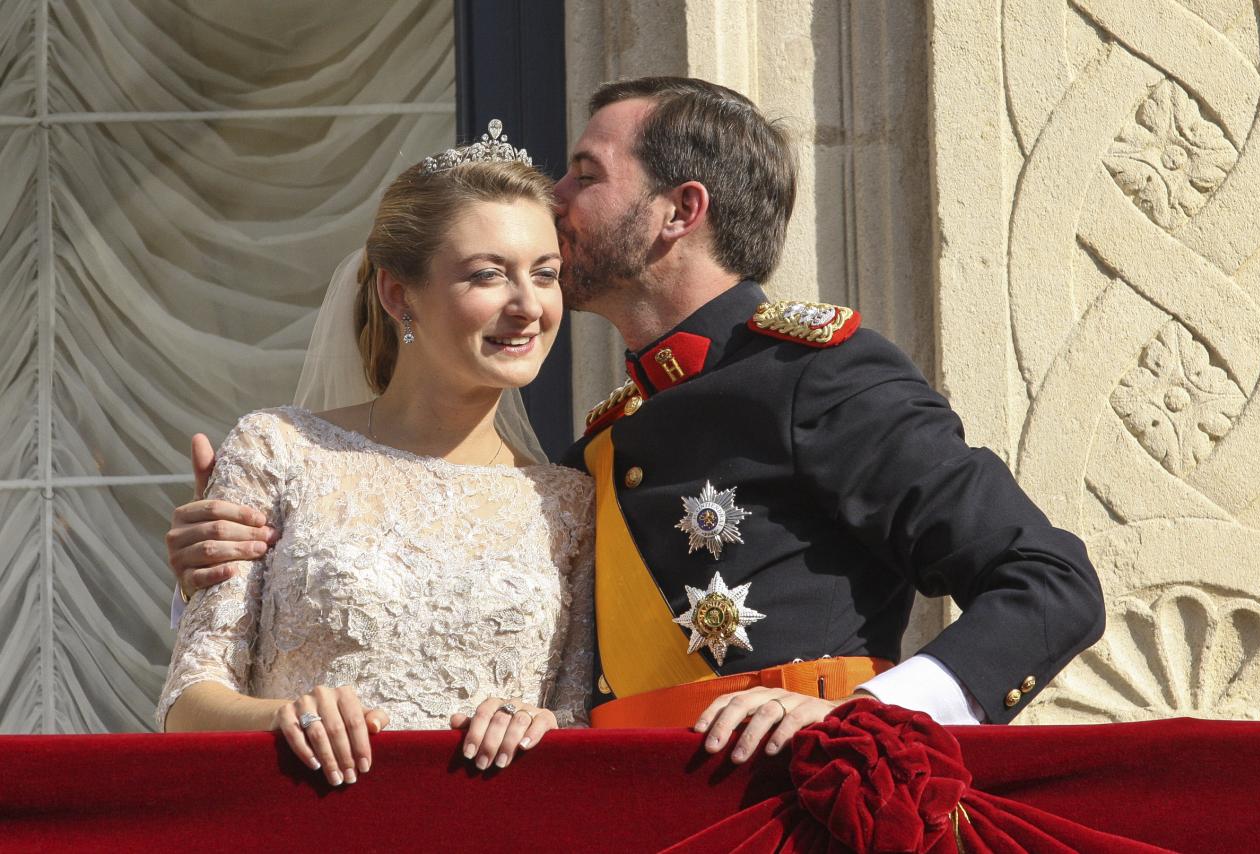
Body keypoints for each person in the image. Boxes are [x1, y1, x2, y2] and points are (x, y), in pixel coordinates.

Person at [167, 78, 1105, 765]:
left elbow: (1050, 584)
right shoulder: (594, 452)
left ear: (677, 212)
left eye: (584, 173)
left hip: (786, 813)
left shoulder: (816, 377)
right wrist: (251, 548)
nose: (555, 200)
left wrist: (867, 718)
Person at [157, 127, 595, 789]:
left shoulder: (571, 502)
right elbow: (187, 701)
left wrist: (544, 727)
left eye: (545, 275)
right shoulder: (279, 450)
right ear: (398, 295)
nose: (527, 306)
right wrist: (287, 717)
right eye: (487, 275)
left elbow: (578, 717)